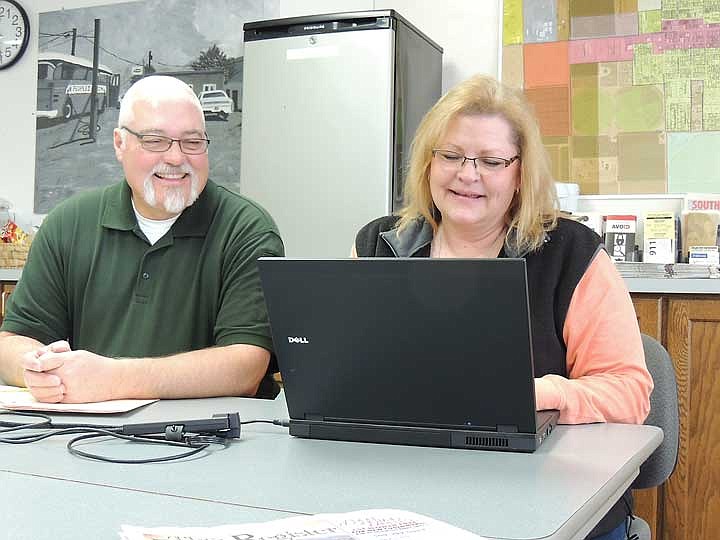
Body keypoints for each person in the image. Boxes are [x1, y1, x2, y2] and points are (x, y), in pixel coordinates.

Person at [353, 74, 653, 540]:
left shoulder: (571, 255)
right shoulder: (378, 245)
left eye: (491, 161)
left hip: (551, 501)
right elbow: (344, 367)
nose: (467, 175)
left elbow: (629, 392)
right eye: (451, 155)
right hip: (407, 491)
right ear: (428, 164)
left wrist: (542, 394)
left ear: (519, 173)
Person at [0, 75, 284, 403]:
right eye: (155, 140)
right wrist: (38, 369)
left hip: (212, 442)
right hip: (87, 437)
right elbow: (12, 340)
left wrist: (112, 379)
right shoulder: (68, 223)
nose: (177, 158)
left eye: (193, 142)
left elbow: (245, 367)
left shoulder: (246, 230)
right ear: (120, 144)